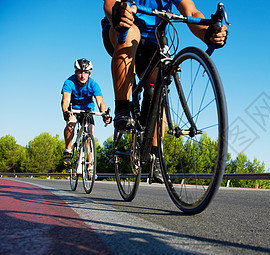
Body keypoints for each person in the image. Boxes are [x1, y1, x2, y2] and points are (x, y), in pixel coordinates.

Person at [102, 0, 228, 183]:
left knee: (160, 84)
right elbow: (110, 3)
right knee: (130, 33)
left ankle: (154, 154)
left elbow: (191, 11)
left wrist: (209, 33)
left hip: (153, 38)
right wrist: (118, 13)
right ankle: (122, 108)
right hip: (121, 27)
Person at [61, 58, 112, 167]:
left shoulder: (93, 84)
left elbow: (100, 102)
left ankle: (90, 165)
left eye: (85, 73)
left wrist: (104, 114)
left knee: (90, 132)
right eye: (80, 72)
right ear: (76, 73)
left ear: (89, 74)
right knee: (71, 124)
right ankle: (68, 149)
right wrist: (66, 111)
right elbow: (65, 100)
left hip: (88, 110)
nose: (82, 75)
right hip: (73, 108)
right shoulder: (69, 82)